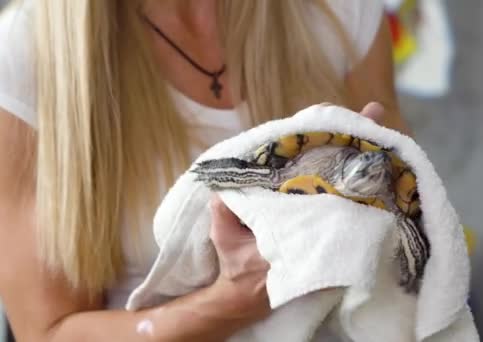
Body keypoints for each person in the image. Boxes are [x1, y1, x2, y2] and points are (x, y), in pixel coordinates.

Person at [0, 0, 411, 340]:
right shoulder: (27, 52)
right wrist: (233, 301)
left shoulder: (340, 11)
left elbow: (409, 237)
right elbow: (47, 333)